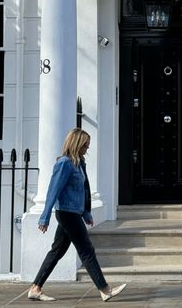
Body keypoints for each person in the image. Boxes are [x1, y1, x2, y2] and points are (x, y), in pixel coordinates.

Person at [28, 128, 126, 302]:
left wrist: (86, 211)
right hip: (66, 213)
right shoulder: (64, 163)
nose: (87, 148)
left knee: (57, 251)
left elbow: (85, 189)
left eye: (88, 145)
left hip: (74, 212)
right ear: (76, 144)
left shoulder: (79, 163)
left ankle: (35, 288)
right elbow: (53, 191)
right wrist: (44, 217)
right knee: (87, 250)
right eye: (85, 145)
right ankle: (105, 289)